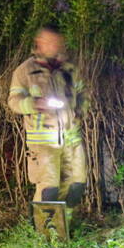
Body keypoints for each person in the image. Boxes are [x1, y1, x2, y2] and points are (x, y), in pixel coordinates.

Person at [7, 25, 88, 227]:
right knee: (48, 190)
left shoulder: (70, 70)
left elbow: (83, 95)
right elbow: (13, 101)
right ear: (40, 43)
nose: (56, 46)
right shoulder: (25, 71)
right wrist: (33, 104)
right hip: (43, 142)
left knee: (75, 186)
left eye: (58, 41)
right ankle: (43, 233)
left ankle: (63, 229)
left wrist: (81, 111)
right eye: (50, 42)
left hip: (71, 139)